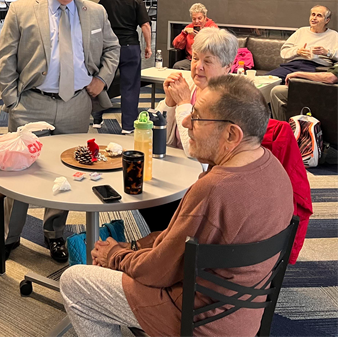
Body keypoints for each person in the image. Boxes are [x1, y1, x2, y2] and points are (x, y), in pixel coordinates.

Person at [59, 75, 294, 337]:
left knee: (75, 281)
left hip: (195, 320)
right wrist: (133, 247)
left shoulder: (213, 189)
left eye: (197, 117)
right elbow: (183, 245)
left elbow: (158, 272)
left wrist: (114, 256)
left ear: (231, 134)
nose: (185, 122)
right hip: (244, 313)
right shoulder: (274, 168)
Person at [0, 0, 120, 265]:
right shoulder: (22, 10)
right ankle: (8, 237)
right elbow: (6, 60)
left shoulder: (95, 12)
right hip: (31, 104)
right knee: (18, 173)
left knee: (67, 172)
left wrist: (101, 81)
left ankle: (54, 233)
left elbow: (113, 49)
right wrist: (13, 102)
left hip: (76, 104)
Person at [139, 27, 238, 232]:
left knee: (155, 203)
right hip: (173, 170)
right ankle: (163, 241)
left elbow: (194, 152)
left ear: (227, 67)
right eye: (194, 58)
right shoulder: (191, 88)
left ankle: (169, 244)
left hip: (203, 185)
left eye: (207, 61)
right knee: (141, 188)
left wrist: (183, 103)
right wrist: (168, 102)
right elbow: (162, 143)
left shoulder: (227, 101)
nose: (197, 67)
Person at [94, 0, 152, 133]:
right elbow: (145, 26)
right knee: (130, 86)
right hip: (129, 47)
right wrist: (148, 46)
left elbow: (96, 22)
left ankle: (97, 119)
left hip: (107, 48)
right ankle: (128, 126)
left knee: (102, 82)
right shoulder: (136, 0)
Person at [267, 5, 338, 83]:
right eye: (313, 14)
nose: (314, 18)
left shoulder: (334, 35)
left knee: (297, 85)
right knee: (265, 81)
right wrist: (297, 52)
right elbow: (284, 52)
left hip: (316, 68)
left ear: (327, 20)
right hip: (293, 65)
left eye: (319, 16)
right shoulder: (301, 31)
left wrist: (327, 52)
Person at [270, 63, 338, 121]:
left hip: (330, 95)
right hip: (327, 90)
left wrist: (298, 74)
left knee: (278, 92)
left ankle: (282, 133)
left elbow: (330, 78)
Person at [172, 3, 218, 70]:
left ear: (205, 17)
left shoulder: (212, 28)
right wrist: (183, 34)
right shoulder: (189, 27)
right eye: (194, 19)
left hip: (207, 61)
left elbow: (214, 48)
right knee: (177, 66)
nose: (197, 21)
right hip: (191, 60)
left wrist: (199, 36)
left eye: (199, 18)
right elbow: (176, 45)